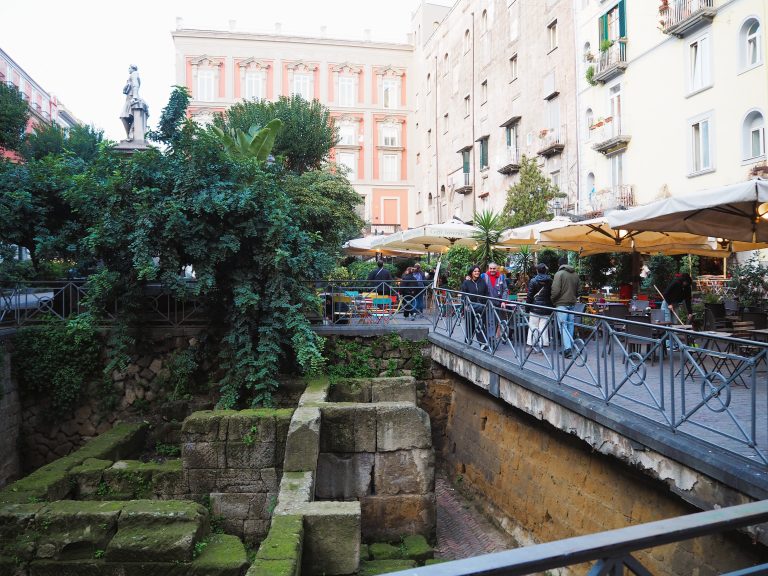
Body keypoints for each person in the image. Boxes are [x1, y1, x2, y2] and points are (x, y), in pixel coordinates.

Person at [551, 256, 580, 359]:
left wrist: (553, 300)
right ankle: (569, 347)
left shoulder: (559, 274)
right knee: (570, 326)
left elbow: (555, 291)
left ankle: (567, 349)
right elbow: (577, 291)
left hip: (561, 304)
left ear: (559, 265)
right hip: (572, 303)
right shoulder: (575, 274)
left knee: (563, 326)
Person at [460, 265, 490, 348]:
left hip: (480, 307)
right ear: (471, 272)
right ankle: (468, 340)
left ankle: (483, 343)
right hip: (469, 307)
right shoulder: (466, 282)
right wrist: (465, 305)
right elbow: (464, 294)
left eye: (478, 271)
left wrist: (486, 303)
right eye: (475, 271)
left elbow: (486, 293)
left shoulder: (482, 281)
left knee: (479, 324)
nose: (477, 273)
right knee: (470, 325)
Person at [526, 263, 554, 350]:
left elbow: (530, 296)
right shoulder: (550, 281)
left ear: (537, 271)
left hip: (534, 307)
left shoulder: (533, 281)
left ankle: (531, 345)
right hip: (546, 308)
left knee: (533, 326)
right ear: (545, 271)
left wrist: (527, 307)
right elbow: (552, 294)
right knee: (543, 327)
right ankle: (543, 345)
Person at [120, 65, 141, 140]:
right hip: (129, 98)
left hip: (131, 97)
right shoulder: (133, 74)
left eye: (129, 68)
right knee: (126, 117)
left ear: (133, 68)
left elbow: (136, 85)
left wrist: (134, 97)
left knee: (124, 117)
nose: (128, 70)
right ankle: (129, 135)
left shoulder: (134, 73)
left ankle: (130, 134)